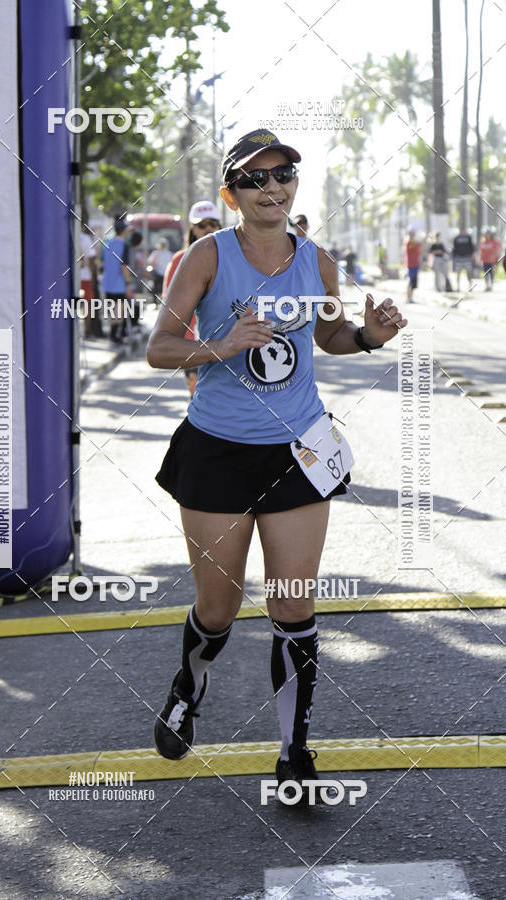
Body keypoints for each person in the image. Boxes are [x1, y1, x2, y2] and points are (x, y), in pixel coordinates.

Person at [146, 127, 407, 803]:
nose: (273, 188)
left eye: (283, 173)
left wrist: (370, 337)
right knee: (220, 608)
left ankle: (293, 752)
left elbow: (328, 333)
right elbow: (160, 348)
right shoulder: (206, 257)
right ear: (232, 193)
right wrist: (222, 344)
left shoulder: (315, 259)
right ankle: (189, 683)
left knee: (294, 605)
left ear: (295, 183)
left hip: (297, 451)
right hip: (217, 453)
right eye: (256, 179)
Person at [163, 200, 221, 396]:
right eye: (202, 225)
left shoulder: (233, 258)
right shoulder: (180, 259)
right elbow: (168, 303)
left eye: (212, 223)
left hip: (226, 342)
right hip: (192, 345)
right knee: (199, 399)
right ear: (193, 229)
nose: (208, 229)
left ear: (219, 226)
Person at [101, 218, 133, 344]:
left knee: (111, 309)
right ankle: (115, 335)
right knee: (119, 310)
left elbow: (102, 263)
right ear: (124, 231)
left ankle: (112, 334)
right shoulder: (124, 245)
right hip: (119, 284)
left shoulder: (107, 244)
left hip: (107, 282)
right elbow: (124, 266)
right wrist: (128, 283)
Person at [80, 224, 101, 337]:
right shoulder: (86, 238)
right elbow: (92, 258)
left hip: (71, 277)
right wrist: (94, 277)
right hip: (85, 276)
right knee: (87, 304)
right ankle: (86, 330)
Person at [148, 238, 173, 302]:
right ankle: (164, 301)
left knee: (155, 288)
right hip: (166, 274)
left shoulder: (156, 253)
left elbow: (150, 262)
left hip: (158, 273)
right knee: (165, 288)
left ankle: (155, 301)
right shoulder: (170, 254)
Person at [452, 227, 475, 292]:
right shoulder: (456, 238)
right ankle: (457, 287)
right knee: (458, 273)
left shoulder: (469, 238)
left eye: (463, 230)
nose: (462, 231)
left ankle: (470, 285)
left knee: (469, 273)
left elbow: (472, 248)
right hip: (458, 258)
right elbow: (454, 249)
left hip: (467, 258)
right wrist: (454, 258)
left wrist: (471, 257)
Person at [403, 230, 421, 301]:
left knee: (414, 283)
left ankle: (411, 297)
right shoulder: (408, 242)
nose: (413, 236)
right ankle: (408, 297)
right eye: (412, 234)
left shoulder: (415, 243)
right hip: (410, 265)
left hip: (416, 264)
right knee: (409, 281)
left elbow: (421, 246)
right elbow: (412, 245)